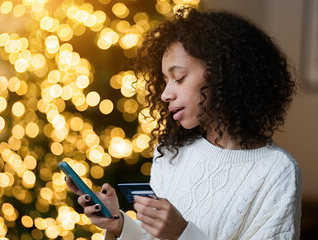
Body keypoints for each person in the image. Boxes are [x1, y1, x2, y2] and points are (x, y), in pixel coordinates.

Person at [65, 7, 301, 240]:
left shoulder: (277, 171)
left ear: (222, 74)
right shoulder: (170, 151)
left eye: (178, 78)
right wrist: (118, 225)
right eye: (165, 81)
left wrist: (182, 234)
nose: (165, 94)